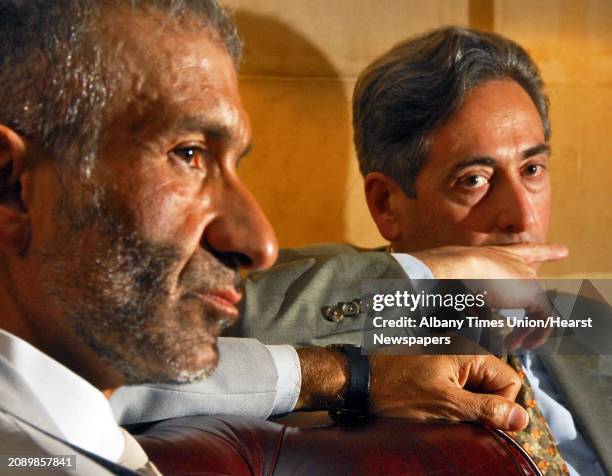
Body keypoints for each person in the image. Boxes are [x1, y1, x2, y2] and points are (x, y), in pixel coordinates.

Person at [0, 3, 548, 473]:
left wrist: (352, 378)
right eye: (188, 154)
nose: (258, 239)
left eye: (534, 170)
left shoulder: (587, 319)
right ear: (12, 187)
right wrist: (431, 276)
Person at [228, 27, 611, 476]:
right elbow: (223, 323)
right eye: (475, 179)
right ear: (387, 205)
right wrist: (445, 267)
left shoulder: (588, 321)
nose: (522, 216)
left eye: (532, 169)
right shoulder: (343, 291)